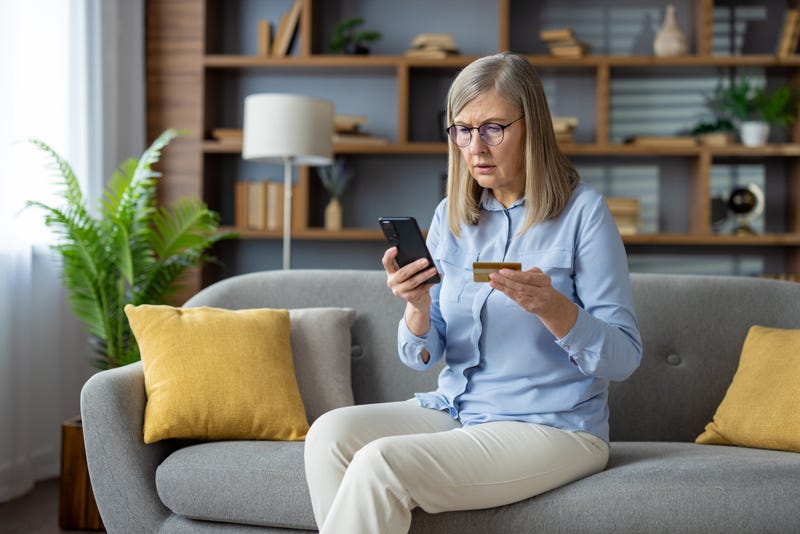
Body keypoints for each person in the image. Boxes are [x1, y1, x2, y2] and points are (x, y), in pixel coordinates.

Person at [304, 51, 642, 534]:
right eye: (462, 129)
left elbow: (624, 357)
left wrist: (555, 309)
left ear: (533, 127)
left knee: (381, 464)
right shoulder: (453, 216)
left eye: (493, 128)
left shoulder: (584, 214)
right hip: (459, 409)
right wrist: (417, 308)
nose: (475, 146)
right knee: (329, 434)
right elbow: (424, 352)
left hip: (552, 427)